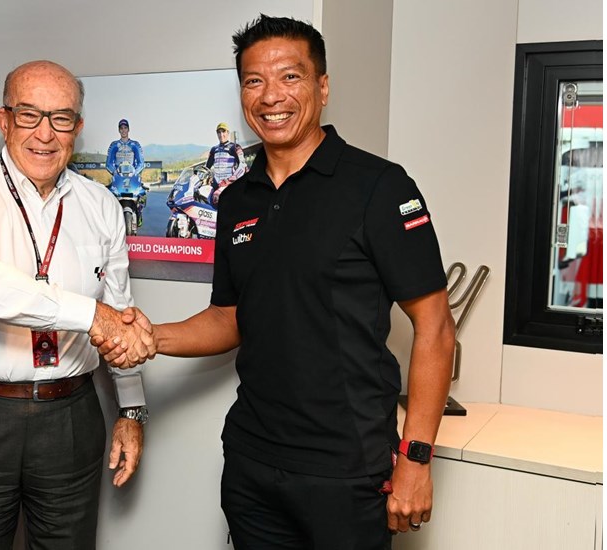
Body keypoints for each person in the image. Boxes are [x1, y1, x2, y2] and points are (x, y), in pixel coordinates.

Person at [97, 15, 456, 549]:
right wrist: (151, 337)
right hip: (253, 461)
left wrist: (416, 458)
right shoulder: (237, 199)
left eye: (290, 76)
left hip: (346, 468)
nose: (271, 96)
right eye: (254, 81)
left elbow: (436, 328)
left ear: (323, 87)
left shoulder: (379, 187)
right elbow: (230, 317)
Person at [0, 60, 155, 550]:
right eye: (29, 115)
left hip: (70, 416)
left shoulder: (101, 205)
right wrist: (90, 316)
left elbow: (120, 310)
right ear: (4, 119)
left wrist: (132, 409)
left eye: (61, 118)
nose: (45, 134)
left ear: (78, 126)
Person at [203, 122, 248, 206]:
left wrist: (229, 181)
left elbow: (243, 166)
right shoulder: (214, 149)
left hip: (229, 184)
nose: (221, 135)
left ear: (228, 132)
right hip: (216, 183)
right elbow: (206, 168)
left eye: (223, 132)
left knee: (217, 196)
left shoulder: (235, 147)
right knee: (201, 195)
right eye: (219, 132)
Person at [106, 118, 144, 183]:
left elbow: (141, 163)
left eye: (125, 128)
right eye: (121, 128)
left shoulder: (135, 145)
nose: (123, 130)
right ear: (119, 130)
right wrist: (115, 172)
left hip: (132, 177)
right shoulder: (114, 145)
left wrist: (135, 172)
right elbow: (108, 163)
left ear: (128, 129)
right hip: (118, 178)